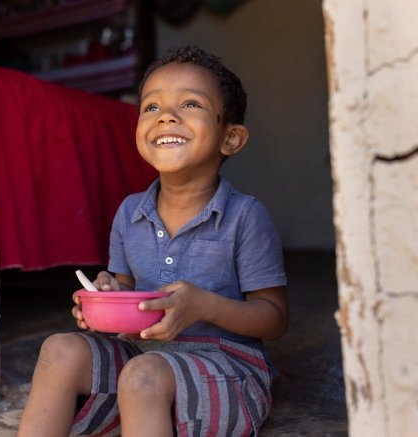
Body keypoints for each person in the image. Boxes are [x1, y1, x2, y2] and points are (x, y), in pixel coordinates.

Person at [17, 46, 288, 437]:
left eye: (191, 103)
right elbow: (127, 291)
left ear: (230, 138)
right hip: (142, 358)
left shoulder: (246, 216)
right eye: (151, 107)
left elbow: (275, 318)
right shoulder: (130, 213)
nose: (166, 116)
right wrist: (105, 297)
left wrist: (205, 306)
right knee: (60, 349)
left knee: (143, 375)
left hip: (226, 368)